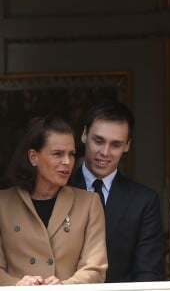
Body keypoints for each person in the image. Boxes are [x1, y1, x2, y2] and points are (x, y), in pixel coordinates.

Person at [0, 116, 107, 286]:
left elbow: (95, 269)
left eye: (71, 154)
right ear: (33, 157)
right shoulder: (2, 204)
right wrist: (18, 285)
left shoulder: (89, 203)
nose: (67, 162)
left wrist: (64, 287)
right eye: (58, 154)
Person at [70, 100, 163, 282]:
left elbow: (148, 272)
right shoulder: (59, 189)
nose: (105, 152)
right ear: (84, 135)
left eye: (116, 145)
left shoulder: (144, 201)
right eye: (98, 141)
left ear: (127, 146)